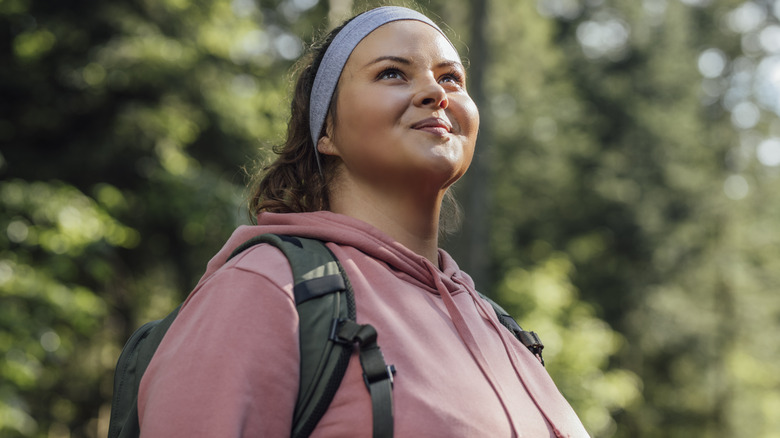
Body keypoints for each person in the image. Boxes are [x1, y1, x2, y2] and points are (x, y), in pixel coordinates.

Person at [137, 6, 589, 437]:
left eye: (451, 77)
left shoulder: (500, 327)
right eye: (392, 72)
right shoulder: (266, 290)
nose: (437, 93)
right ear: (326, 131)